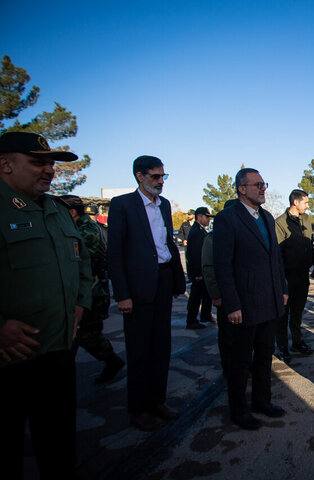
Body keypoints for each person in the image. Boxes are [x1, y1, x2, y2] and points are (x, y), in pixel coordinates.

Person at [0, 131, 92, 479]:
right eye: (38, 161)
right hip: (9, 360)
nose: (50, 170)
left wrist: (80, 304)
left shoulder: (55, 209)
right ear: (5, 163)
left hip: (58, 349)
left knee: (57, 445)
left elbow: (81, 262)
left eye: (52, 163)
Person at [107, 155, 186, 431]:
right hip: (138, 288)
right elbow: (114, 253)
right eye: (155, 176)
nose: (161, 181)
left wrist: (177, 281)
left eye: (164, 176)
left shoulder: (163, 206)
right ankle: (139, 409)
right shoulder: (122, 205)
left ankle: (158, 401)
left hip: (163, 282)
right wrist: (122, 294)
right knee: (140, 350)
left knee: (161, 346)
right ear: (139, 176)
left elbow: (167, 245)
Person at [213, 168, 288, 430]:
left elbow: (275, 258)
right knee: (240, 361)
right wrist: (231, 304)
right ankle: (239, 410)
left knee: (265, 356)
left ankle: (262, 402)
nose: (263, 188)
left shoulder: (267, 217)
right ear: (241, 189)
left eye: (264, 183)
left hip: (270, 302)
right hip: (243, 306)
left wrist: (283, 288)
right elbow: (222, 265)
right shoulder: (227, 219)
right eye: (257, 184)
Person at [60, 195, 125, 384]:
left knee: (85, 334)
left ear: (72, 213)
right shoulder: (81, 227)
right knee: (84, 334)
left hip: (91, 292)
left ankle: (111, 361)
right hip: (90, 290)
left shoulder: (84, 231)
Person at [274, 189, 314, 363]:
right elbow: (277, 254)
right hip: (287, 276)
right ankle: (282, 346)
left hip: (302, 273)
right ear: (295, 203)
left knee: (298, 311)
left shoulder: (306, 219)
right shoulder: (280, 223)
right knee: (283, 313)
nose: (307, 205)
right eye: (305, 202)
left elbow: (309, 244)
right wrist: (280, 278)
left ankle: (297, 342)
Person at [202, 199, 237, 375]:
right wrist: (216, 295)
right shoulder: (212, 238)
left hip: (242, 294)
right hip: (224, 295)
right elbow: (209, 268)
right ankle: (229, 367)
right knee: (227, 334)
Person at [186, 206, 214, 329]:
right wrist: (197, 273)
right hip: (199, 272)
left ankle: (205, 315)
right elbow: (197, 255)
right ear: (199, 217)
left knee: (206, 295)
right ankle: (191, 320)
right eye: (206, 217)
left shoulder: (200, 231)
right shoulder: (197, 232)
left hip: (201, 272)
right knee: (196, 297)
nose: (209, 220)